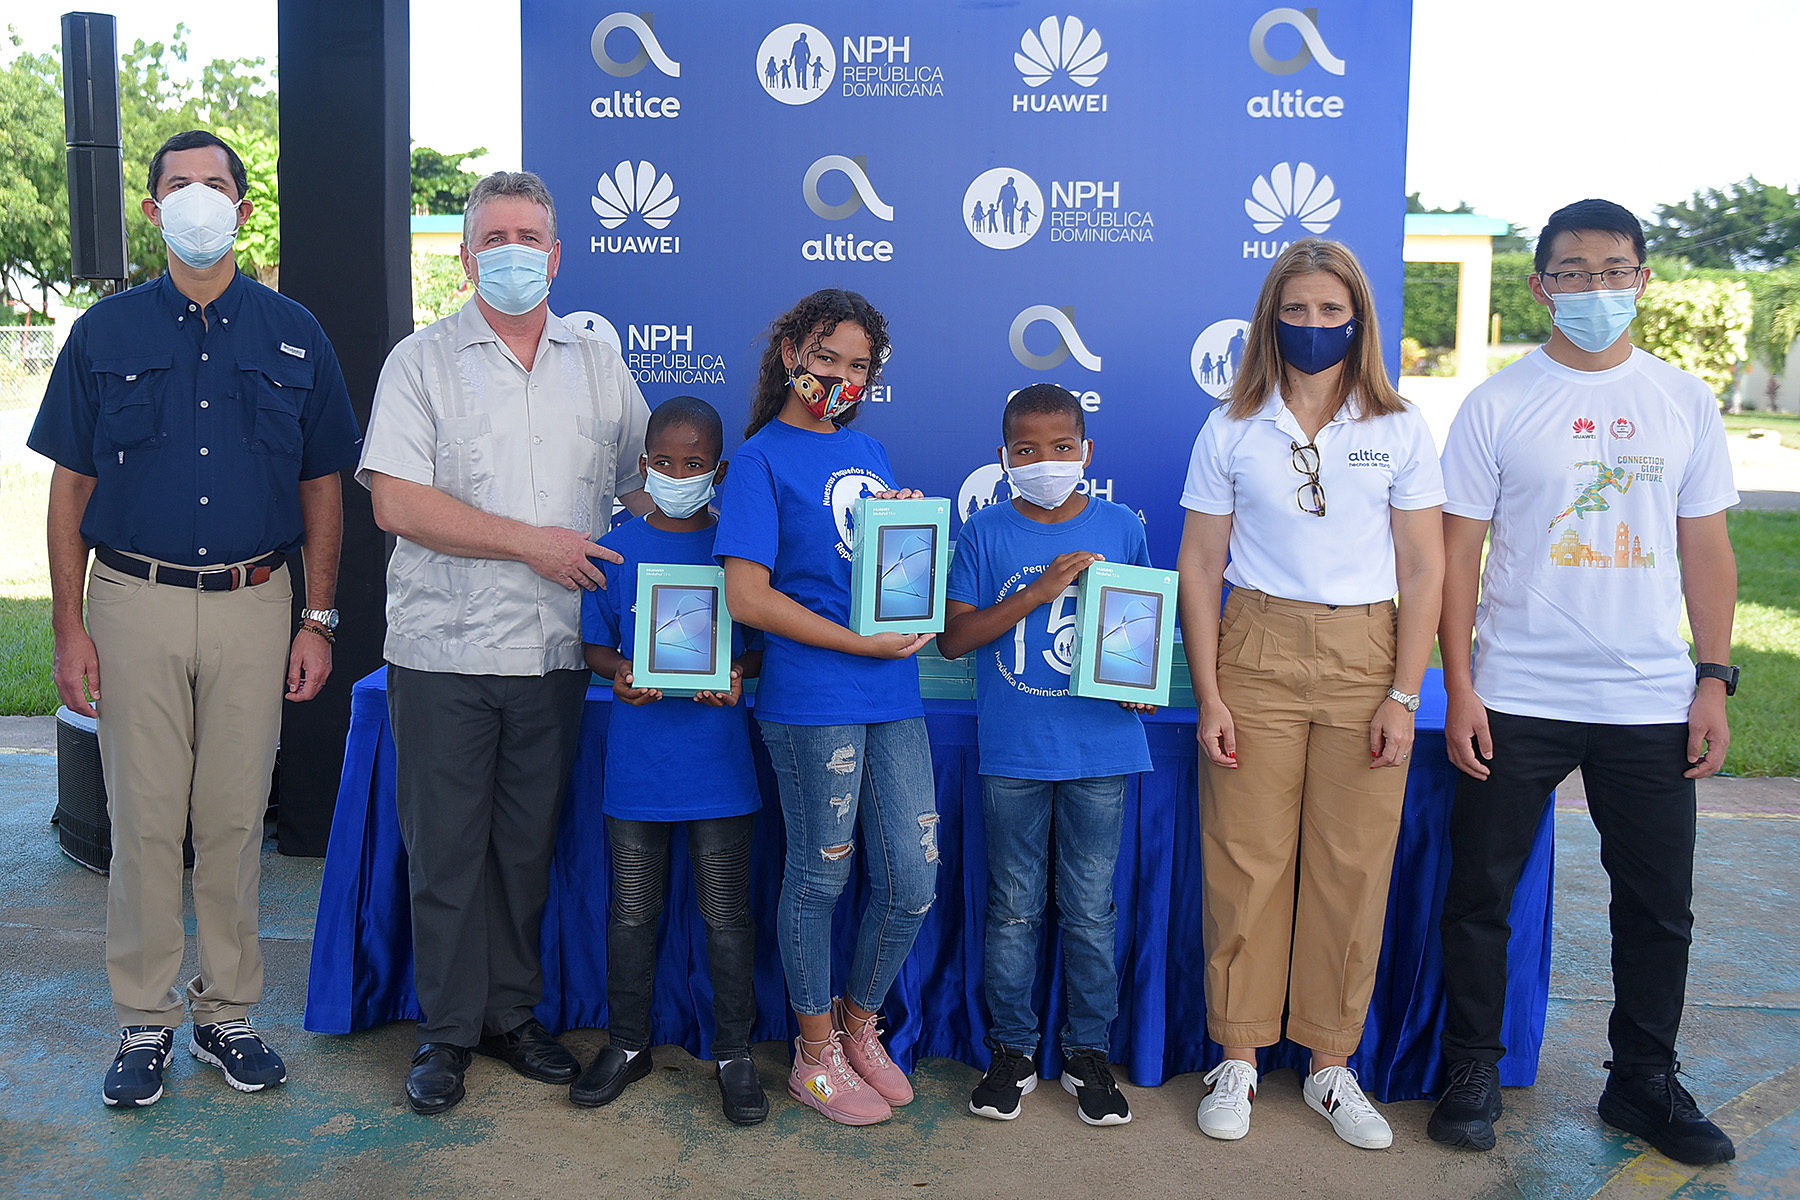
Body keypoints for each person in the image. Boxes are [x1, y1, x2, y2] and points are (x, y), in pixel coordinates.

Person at [29, 129, 361, 1107]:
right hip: (132, 601)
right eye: (179, 184)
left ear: (244, 210)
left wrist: (319, 617)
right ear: (153, 209)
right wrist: (68, 626)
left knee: (231, 819)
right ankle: (145, 1021)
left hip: (257, 602)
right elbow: (69, 489)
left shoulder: (296, 333)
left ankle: (227, 1015)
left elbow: (323, 487)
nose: (198, 198)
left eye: (215, 183)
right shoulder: (103, 334)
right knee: (141, 822)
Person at [1428, 199, 1740, 1166]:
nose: (1594, 288)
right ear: (1540, 287)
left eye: (1613, 270)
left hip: (1649, 699)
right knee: (1479, 895)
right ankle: (1471, 1069)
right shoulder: (1497, 403)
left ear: (1643, 279)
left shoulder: (1683, 401)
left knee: (1657, 907)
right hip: (1516, 692)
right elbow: (1455, 557)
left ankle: (1642, 1081)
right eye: (1572, 272)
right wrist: (1461, 686)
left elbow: (1707, 549)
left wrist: (1713, 681)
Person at [358, 170, 652, 1116]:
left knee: (525, 851)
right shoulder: (420, 362)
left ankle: (511, 1015)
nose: (512, 252)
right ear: (466, 255)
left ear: (556, 257)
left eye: (529, 237)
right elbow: (396, 502)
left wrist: (746, 523)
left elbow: (650, 487)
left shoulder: (598, 364)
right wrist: (535, 544)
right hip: (441, 653)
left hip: (554, 655)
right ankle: (447, 1033)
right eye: (494, 238)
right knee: (445, 854)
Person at [1176, 238, 1445, 1149]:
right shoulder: (1230, 426)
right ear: (1270, 319)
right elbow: (1200, 563)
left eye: (1332, 311)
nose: (1313, 325)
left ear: (1358, 320)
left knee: (1352, 864)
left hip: (1367, 653)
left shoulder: (1399, 426)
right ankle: (1239, 1057)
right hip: (1255, 649)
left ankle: (1332, 1063)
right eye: (1296, 311)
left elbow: (1424, 565)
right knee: (1245, 860)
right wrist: (1211, 694)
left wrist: (1405, 694)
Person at [714, 289, 938, 1127]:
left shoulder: (870, 449)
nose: (841, 377)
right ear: (790, 357)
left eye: (859, 366)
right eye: (826, 358)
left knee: (913, 879)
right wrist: (857, 644)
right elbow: (748, 598)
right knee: (821, 877)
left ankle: (858, 1023)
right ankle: (813, 1055)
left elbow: (881, 574)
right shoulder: (758, 462)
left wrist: (910, 539)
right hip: (813, 700)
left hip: (893, 694)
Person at [937, 384, 1153, 1127]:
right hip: (1015, 754)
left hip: (1101, 750)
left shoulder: (1122, 526)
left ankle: (1089, 1052)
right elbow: (955, 639)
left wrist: (1138, 684)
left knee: (1091, 912)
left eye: (1062, 447)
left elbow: (1137, 626)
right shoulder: (983, 531)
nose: (1046, 461)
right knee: (1014, 911)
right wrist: (1039, 591)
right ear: (1003, 458)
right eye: (1027, 450)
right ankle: (1012, 1051)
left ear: (1087, 451)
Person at [569, 397, 768, 1126]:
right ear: (643, 464)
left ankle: (735, 1053)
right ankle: (627, 1044)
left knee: (726, 915)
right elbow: (596, 647)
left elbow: (758, 648)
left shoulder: (739, 553)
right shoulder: (615, 550)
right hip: (638, 768)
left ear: (719, 470)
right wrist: (618, 672)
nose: (677, 475)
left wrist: (736, 672)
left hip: (718, 767)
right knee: (631, 912)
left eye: (694, 464)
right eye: (664, 463)